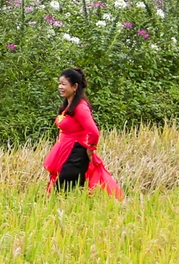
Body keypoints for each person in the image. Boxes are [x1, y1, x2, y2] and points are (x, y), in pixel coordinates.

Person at [45, 67, 122, 198]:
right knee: (67, 193)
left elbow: (94, 132)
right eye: (59, 83)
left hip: (76, 154)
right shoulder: (68, 106)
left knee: (60, 192)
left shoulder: (80, 107)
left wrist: (90, 150)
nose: (60, 87)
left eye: (64, 84)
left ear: (75, 87)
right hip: (66, 151)